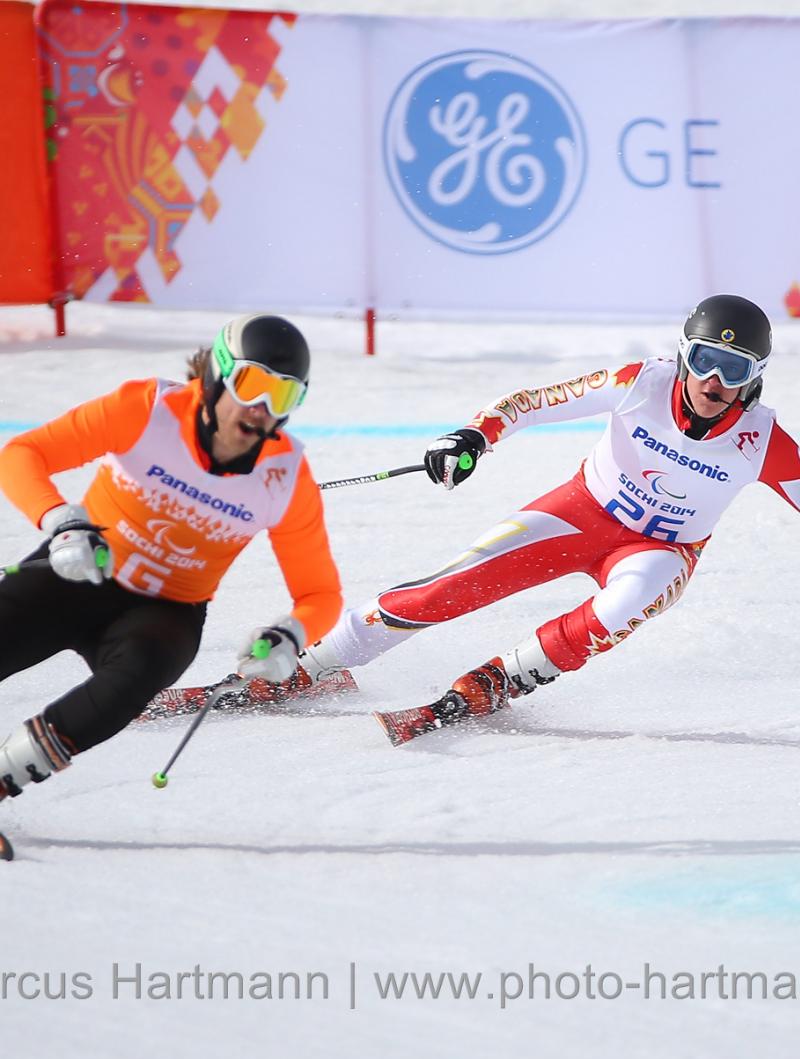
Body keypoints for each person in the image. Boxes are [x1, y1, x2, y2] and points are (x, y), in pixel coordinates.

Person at [220, 294, 800, 744]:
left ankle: (507, 676)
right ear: (683, 353)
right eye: (703, 361)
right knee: (445, 588)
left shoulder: (764, 441)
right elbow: (534, 402)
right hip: (581, 512)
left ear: (756, 376)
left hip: (660, 551)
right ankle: (315, 665)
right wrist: (473, 437)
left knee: (629, 599)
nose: (713, 382)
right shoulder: (640, 383)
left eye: (733, 369)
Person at [0, 314, 342, 800]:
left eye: (284, 395)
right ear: (217, 374)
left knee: (136, 678)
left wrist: (292, 635)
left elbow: (320, 593)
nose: (262, 408)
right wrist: (60, 521)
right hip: (82, 570)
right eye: (252, 384)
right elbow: (22, 453)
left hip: (166, 613)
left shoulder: (284, 477)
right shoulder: (147, 410)